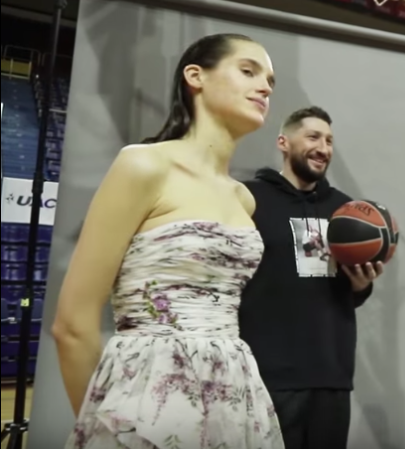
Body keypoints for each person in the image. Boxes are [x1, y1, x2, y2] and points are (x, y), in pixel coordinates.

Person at [51, 33, 284, 448]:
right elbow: (72, 325)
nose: (265, 87)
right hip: (147, 393)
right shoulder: (142, 165)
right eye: (248, 71)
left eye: (269, 81)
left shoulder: (243, 198)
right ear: (196, 76)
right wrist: (104, 430)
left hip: (236, 390)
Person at [239, 106, 383, 449]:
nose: (323, 148)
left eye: (329, 141)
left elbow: (349, 290)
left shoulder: (346, 211)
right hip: (266, 373)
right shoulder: (250, 200)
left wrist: (362, 286)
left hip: (330, 375)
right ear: (283, 143)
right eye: (313, 137)